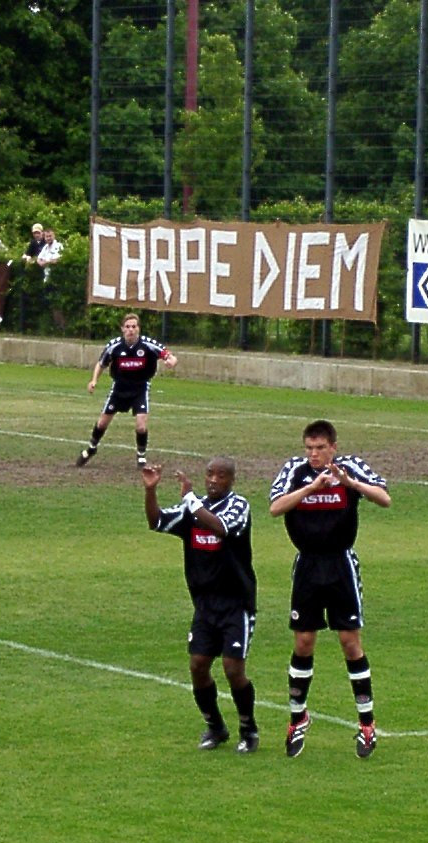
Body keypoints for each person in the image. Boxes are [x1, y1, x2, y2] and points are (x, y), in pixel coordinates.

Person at [268, 420, 392, 759]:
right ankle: (298, 717)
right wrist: (311, 488)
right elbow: (275, 508)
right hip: (307, 565)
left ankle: (366, 724)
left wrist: (349, 483)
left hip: (341, 565)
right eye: (309, 448)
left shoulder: (349, 467)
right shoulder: (295, 470)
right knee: (304, 642)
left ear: (333, 447)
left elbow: (384, 499)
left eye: (320, 448)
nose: (314, 454)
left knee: (349, 642)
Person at [143, 458, 260, 753]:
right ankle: (216, 727)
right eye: (209, 474)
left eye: (221, 476)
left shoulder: (238, 507)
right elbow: (156, 521)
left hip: (236, 604)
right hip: (205, 605)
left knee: (233, 668)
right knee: (197, 666)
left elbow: (221, 528)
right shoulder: (191, 508)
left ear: (231, 480)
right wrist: (151, 491)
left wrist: (190, 499)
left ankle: (248, 729)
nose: (213, 480)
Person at [78, 313, 177, 469]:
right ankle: (92, 447)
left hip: (140, 388)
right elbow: (101, 364)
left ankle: (141, 456)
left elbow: (168, 355)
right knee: (102, 423)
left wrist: (171, 361)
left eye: (134, 327)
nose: (131, 330)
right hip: (119, 389)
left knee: (141, 425)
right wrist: (94, 380)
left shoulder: (148, 344)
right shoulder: (115, 345)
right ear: (122, 329)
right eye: (128, 327)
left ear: (138, 329)